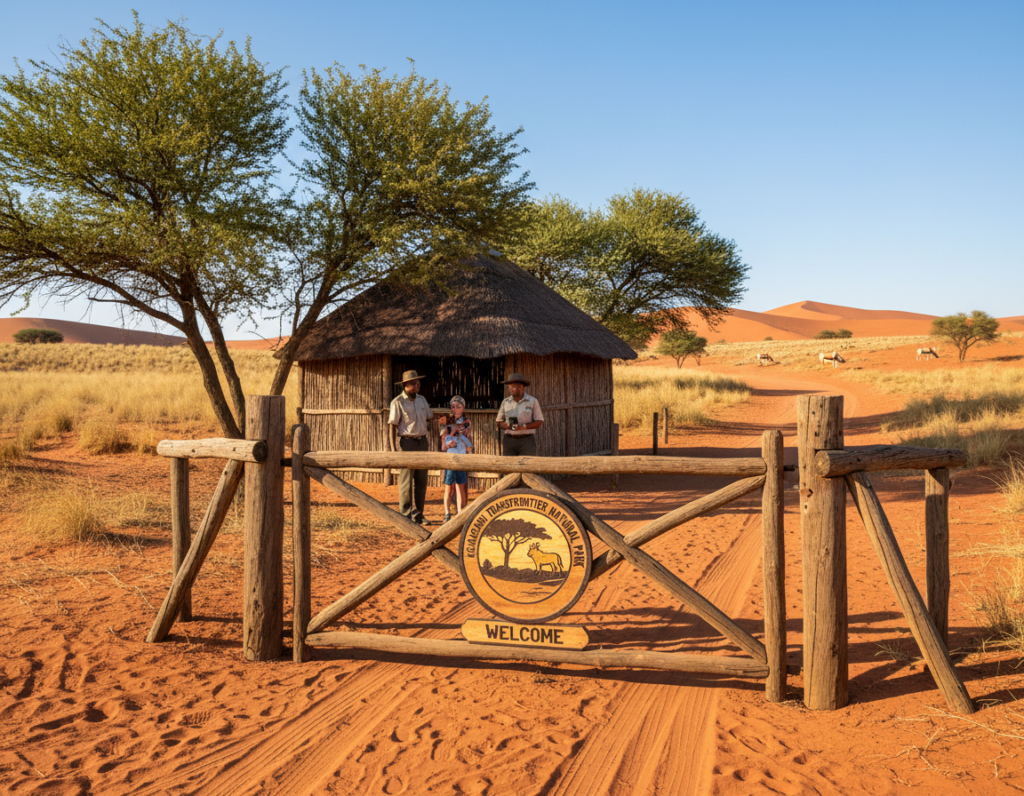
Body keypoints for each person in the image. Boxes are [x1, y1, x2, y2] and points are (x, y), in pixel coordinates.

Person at [388, 370, 433, 524]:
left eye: (418, 383)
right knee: (406, 480)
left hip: (422, 442)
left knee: (421, 480)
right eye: (414, 383)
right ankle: (406, 515)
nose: (417, 386)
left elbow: (429, 417)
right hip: (407, 443)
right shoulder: (398, 402)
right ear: (405, 385)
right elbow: (392, 426)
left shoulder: (422, 400)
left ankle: (419, 514)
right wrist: (393, 450)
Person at [440, 395, 473, 522]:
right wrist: (448, 445)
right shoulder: (446, 423)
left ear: (463, 408)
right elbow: (443, 446)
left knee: (460, 486)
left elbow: (469, 444)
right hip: (450, 459)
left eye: (458, 407)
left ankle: (460, 513)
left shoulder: (467, 423)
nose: (455, 409)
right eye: (453, 407)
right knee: (449, 487)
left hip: (461, 458)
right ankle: (447, 513)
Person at [496, 373, 544, 456]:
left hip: (527, 441)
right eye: (509, 387)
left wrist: (523, 427)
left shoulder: (532, 401)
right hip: (509, 440)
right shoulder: (505, 402)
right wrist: (510, 426)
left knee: (527, 465)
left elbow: (539, 421)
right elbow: (499, 422)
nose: (510, 389)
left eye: (513, 387)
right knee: (509, 465)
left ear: (521, 387)